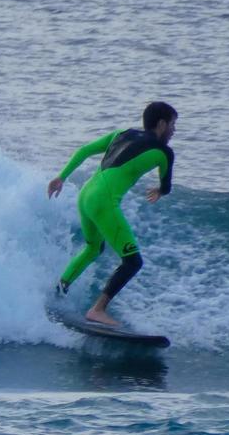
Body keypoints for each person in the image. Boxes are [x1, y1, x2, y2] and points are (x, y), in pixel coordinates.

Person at [46, 101, 176, 326]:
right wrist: (159, 191)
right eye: (173, 125)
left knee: (93, 248)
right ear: (162, 124)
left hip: (86, 195)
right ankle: (97, 310)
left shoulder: (121, 133)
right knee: (132, 261)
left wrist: (61, 177)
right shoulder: (164, 152)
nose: (174, 131)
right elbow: (166, 186)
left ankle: (57, 293)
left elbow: (84, 150)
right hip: (103, 202)